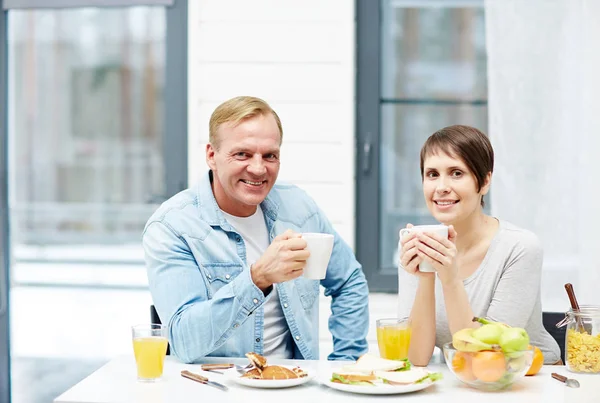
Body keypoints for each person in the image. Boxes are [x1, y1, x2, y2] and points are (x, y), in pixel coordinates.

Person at [143, 96, 369, 363]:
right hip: (214, 387)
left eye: (270, 155)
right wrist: (256, 279)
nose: (259, 168)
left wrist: (345, 361)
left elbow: (348, 281)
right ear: (211, 156)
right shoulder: (173, 227)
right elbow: (183, 341)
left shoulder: (298, 208)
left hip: (295, 383)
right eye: (242, 154)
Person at [398, 125, 561, 365]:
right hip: (462, 382)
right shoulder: (417, 245)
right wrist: (425, 275)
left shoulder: (520, 247)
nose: (441, 187)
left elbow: (486, 358)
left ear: (484, 182)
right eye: (432, 174)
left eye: (456, 173)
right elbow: (415, 358)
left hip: (531, 379)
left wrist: (451, 279)